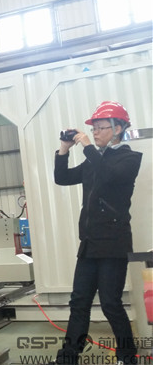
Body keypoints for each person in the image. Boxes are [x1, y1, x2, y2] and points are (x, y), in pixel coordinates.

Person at [53, 101, 142, 365]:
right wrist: (64, 149)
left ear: (118, 129)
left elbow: (109, 176)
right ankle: (68, 358)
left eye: (101, 128)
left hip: (114, 243)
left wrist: (86, 146)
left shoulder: (129, 159)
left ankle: (128, 357)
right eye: (93, 129)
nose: (95, 133)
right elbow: (62, 178)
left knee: (110, 304)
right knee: (79, 302)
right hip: (90, 243)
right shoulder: (93, 160)